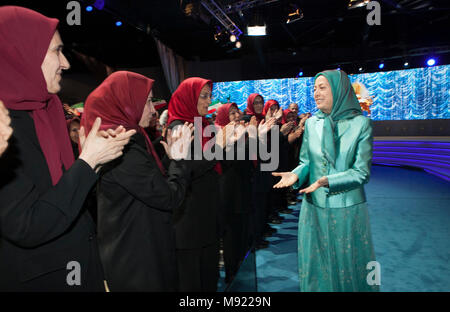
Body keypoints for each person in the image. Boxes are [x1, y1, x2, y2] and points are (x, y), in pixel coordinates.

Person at [0, 6, 135, 291]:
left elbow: (62, 199)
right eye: (56, 51)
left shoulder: (46, 113)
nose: (66, 63)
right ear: (22, 53)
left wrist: (92, 162)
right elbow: (26, 225)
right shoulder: (4, 127)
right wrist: (86, 163)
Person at [81, 71, 193, 291]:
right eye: (148, 101)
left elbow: (148, 184)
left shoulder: (129, 140)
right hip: (139, 263)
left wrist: (171, 160)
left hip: (139, 254)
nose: (153, 109)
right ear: (127, 102)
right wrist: (180, 160)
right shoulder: (123, 147)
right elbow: (168, 197)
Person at [273, 70, 378, 292]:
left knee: (348, 267)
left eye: (322, 88)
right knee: (318, 268)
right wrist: (296, 174)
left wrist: (326, 181)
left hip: (347, 210)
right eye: (314, 89)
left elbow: (361, 173)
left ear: (338, 90)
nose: (316, 93)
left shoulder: (361, 124)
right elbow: (307, 162)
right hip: (314, 209)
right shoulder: (311, 124)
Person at [167, 77, 225, 291]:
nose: (208, 101)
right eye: (203, 96)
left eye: (209, 95)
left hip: (205, 216)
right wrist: (218, 148)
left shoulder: (201, 124)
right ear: (188, 97)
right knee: (192, 283)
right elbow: (190, 166)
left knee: (208, 279)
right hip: (188, 222)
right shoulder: (177, 127)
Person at [215, 103, 253, 283]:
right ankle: (231, 272)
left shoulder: (240, 134)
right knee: (230, 234)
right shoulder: (219, 136)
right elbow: (228, 162)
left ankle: (238, 265)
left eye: (236, 112)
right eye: (231, 113)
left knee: (240, 231)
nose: (236, 116)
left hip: (242, 189)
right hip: (228, 193)